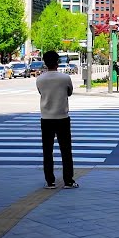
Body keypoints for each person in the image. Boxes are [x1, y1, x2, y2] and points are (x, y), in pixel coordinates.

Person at [36, 51, 77, 189]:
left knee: (47, 151)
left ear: (45, 63)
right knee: (66, 150)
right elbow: (69, 92)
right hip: (62, 117)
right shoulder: (65, 78)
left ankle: (50, 181)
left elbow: (41, 93)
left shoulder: (40, 79)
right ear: (57, 62)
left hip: (46, 118)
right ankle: (68, 181)